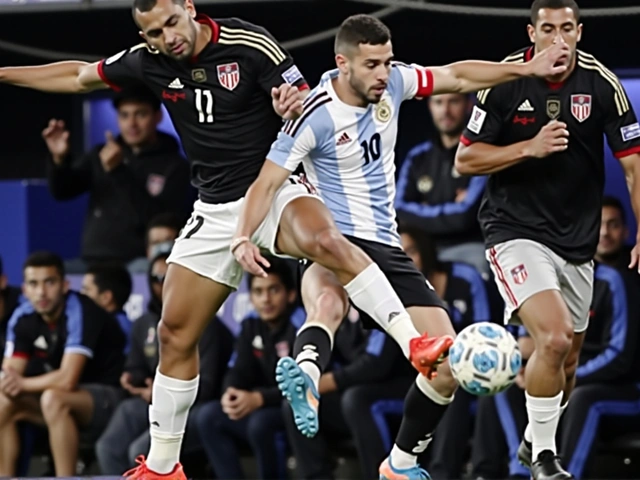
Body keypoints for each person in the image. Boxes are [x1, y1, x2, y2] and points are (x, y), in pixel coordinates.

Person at [0, 2, 456, 477]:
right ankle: (161, 466)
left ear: (189, 8)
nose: (166, 37)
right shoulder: (147, 60)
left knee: (326, 239)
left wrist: (287, 104)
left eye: (172, 23)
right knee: (174, 332)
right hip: (214, 211)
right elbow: (77, 77)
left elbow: (300, 96)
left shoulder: (248, 42)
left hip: (274, 187)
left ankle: (414, 343)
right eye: (153, 32)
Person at [231, 13, 569, 480]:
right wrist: (241, 236)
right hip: (332, 239)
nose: (383, 74)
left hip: (385, 247)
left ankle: (399, 464)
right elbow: (266, 183)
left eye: (387, 62)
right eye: (372, 65)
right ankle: (307, 371)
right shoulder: (314, 113)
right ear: (342, 63)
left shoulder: (392, 86)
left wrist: (527, 69)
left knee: (445, 363)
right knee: (327, 300)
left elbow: (456, 74)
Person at [454, 0, 640, 477]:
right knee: (553, 339)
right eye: (547, 29)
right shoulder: (504, 80)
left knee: (568, 361)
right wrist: (529, 148)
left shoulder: (602, 84)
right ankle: (543, 458)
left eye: (566, 29)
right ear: (531, 32)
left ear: (579, 32)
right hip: (513, 231)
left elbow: (634, 167)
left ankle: (531, 440)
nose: (557, 39)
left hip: (577, 240)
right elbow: (466, 161)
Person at [0, 252, 126, 477]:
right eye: (33, 284)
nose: (41, 292)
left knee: (54, 398)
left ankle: (64, 478)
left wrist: (21, 383)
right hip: (58, 402)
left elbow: (68, 379)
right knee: (3, 401)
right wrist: (13, 384)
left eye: (49, 282)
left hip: (109, 401)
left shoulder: (82, 311)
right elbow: (10, 377)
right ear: (25, 289)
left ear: (65, 285)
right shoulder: (23, 317)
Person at [44, 85, 190, 267]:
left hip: (140, 261)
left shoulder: (176, 166)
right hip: (93, 258)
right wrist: (60, 159)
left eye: (141, 114)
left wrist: (118, 171)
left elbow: (160, 220)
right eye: (124, 115)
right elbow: (62, 191)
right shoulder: (101, 153)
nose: (132, 124)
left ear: (157, 116)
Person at [395, 93, 489, 275]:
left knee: (477, 268)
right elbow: (399, 208)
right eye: (438, 102)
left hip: (469, 247)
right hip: (423, 250)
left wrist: (424, 208)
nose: (445, 111)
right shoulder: (417, 157)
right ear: (430, 106)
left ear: (469, 105)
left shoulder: (481, 153)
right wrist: (454, 206)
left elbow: (465, 216)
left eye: (453, 101)